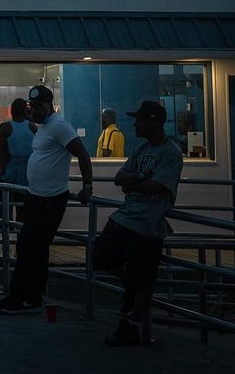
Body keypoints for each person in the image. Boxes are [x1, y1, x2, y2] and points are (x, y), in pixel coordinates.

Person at [0, 84, 93, 314]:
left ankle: (18, 297)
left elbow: (82, 153)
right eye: (32, 105)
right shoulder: (43, 128)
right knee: (35, 248)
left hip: (50, 199)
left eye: (39, 106)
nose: (34, 110)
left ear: (50, 105)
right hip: (36, 195)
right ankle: (32, 296)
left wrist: (87, 186)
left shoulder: (60, 126)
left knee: (29, 247)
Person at [92, 100, 183, 347]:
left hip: (147, 223)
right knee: (101, 257)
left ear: (153, 121)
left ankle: (131, 324)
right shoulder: (141, 150)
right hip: (126, 216)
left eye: (139, 120)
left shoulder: (171, 153)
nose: (135, 124)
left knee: (143, 277)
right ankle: (131, 288)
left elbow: (157, 186)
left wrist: (132, 183)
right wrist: (139, 178)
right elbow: (119, 178)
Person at [0, 97, 37, 219]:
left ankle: (6, 230)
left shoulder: (5, 128)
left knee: (5, 206)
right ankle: (21, 233)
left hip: (10, 171)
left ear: (12, 111)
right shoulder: (32, 127)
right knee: (22, 209)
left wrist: (3, 169)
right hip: (27, 172)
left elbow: (4, 154)